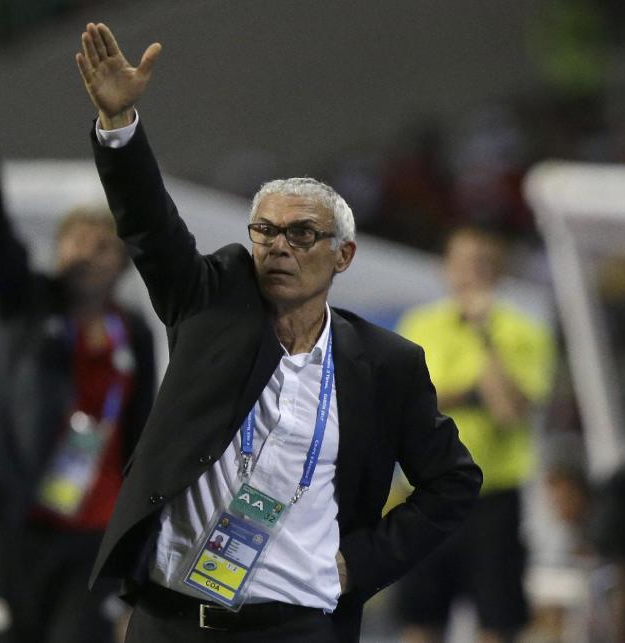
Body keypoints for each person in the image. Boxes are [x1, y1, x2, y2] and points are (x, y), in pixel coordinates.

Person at [74, 22, 482, 643]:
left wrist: (362, 564)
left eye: (302, 234)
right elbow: (152, 230)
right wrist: (121, 123)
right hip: (171, 622)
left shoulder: (384, 364)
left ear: (341, 256)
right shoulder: (210, 305)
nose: (278, 247)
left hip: (294, 629)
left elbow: (453, 483)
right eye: (264, 231)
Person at [0, 106, 156, 643]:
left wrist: (141, 545)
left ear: (121, 262)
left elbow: (142, 434)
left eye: (102, 244)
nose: (88, 252)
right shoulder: (26, 306)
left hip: (93, 535)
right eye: (76, 240)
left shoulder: (135, 332)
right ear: (57, 250)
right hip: (20, 526)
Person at [394, 225, 555, 643]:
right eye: (462, 262)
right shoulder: (421, 325)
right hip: (427, 495)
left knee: (496, 622)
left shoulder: (522, 332)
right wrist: (469, 393)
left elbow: (509, 412)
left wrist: (485, 336)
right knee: (421, 620)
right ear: (444, 268)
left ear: (499, 271)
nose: (472, 273)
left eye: (483, 263)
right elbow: (409, 405)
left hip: (492, 498)